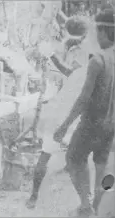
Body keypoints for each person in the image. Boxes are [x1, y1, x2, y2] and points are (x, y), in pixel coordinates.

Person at [53, 9, 115, 216]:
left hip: (91, 123)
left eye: (97, 32)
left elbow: (83, 99)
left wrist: (64, 126)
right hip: (110, 126)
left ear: (105, 32)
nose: (96, 37)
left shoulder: (98, 60)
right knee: (103, 168)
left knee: (73, 159)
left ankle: (86, 204)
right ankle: (99, 204)